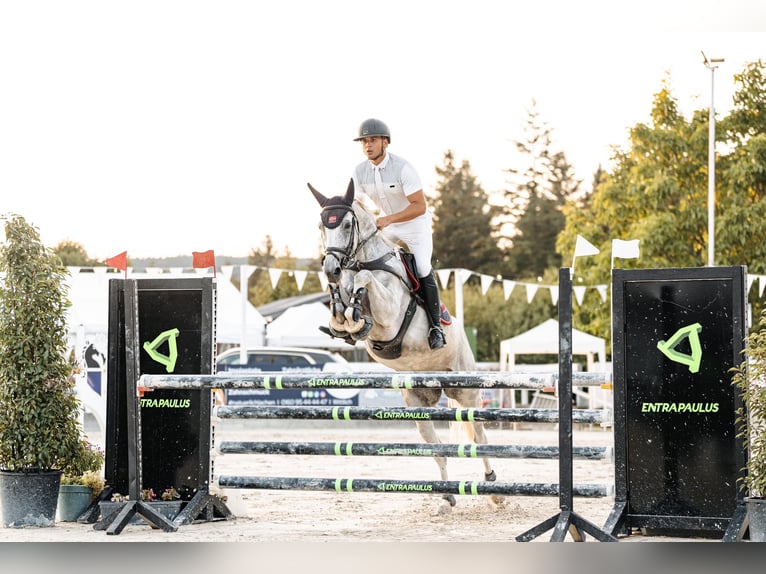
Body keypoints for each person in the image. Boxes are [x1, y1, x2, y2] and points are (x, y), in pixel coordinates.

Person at [351, 118, 447, 350]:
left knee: (423, 266)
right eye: (364, 141)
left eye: (372, 140)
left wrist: (388, 219)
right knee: (363, 260)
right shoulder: (359, 171)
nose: (367, 145)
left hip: (415, 224)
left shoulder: (403, 168)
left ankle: (436, 327)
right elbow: (353, 202)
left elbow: (419, 206)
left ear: (385, 142)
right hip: (388, 224)